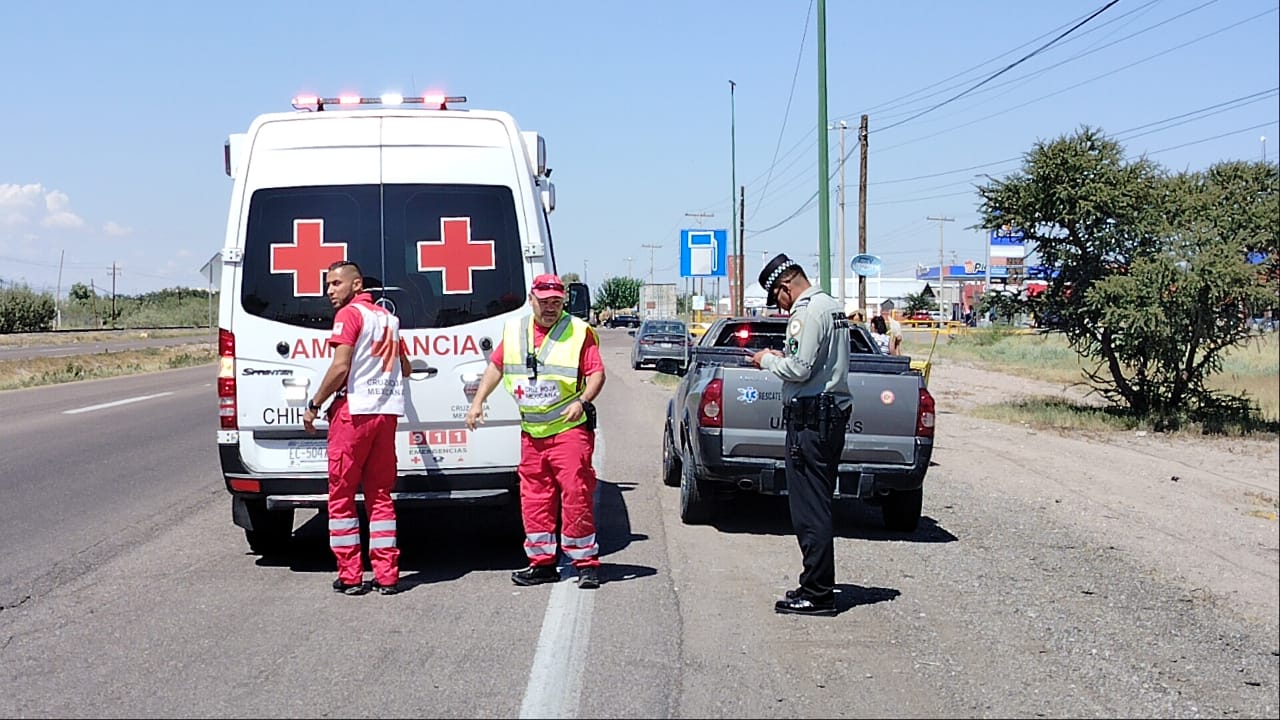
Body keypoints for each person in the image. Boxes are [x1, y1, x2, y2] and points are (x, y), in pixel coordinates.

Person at [465, 273, 607, 590]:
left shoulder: (579, 331)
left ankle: (585, 563)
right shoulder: (516, 330)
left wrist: (583, 402)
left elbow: (596, 373)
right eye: (544, 302)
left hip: (569, 430)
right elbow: (497, 366)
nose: (550, 308)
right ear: (532, 300)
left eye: (556, 302)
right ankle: (542, 564)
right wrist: (477, 401)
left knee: (576, 495)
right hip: (532, 433)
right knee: (535, 499)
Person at [750, 253, 852, 617]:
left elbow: (798, 367)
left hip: (812, 419)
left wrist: (766, 359)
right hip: (830, 415)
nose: (778, 306)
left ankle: (818, 592)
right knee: (818, 501)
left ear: (784, 287)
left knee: (810, 508)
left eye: (776, 297)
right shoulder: (831, 305)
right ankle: (816, 581)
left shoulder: (806, 312)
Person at [304, 261, 412, 596]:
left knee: (342, 497)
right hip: (386, 413)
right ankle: (388, 574)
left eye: (336, 283)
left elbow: (340, 367)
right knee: (380, 496)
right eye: (328, 284)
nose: (330, 291)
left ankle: (351, 575)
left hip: (354, 414)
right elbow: (405, 367)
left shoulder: (349, 316)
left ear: (356, 284)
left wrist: (314, 405)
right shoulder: (389, 319)